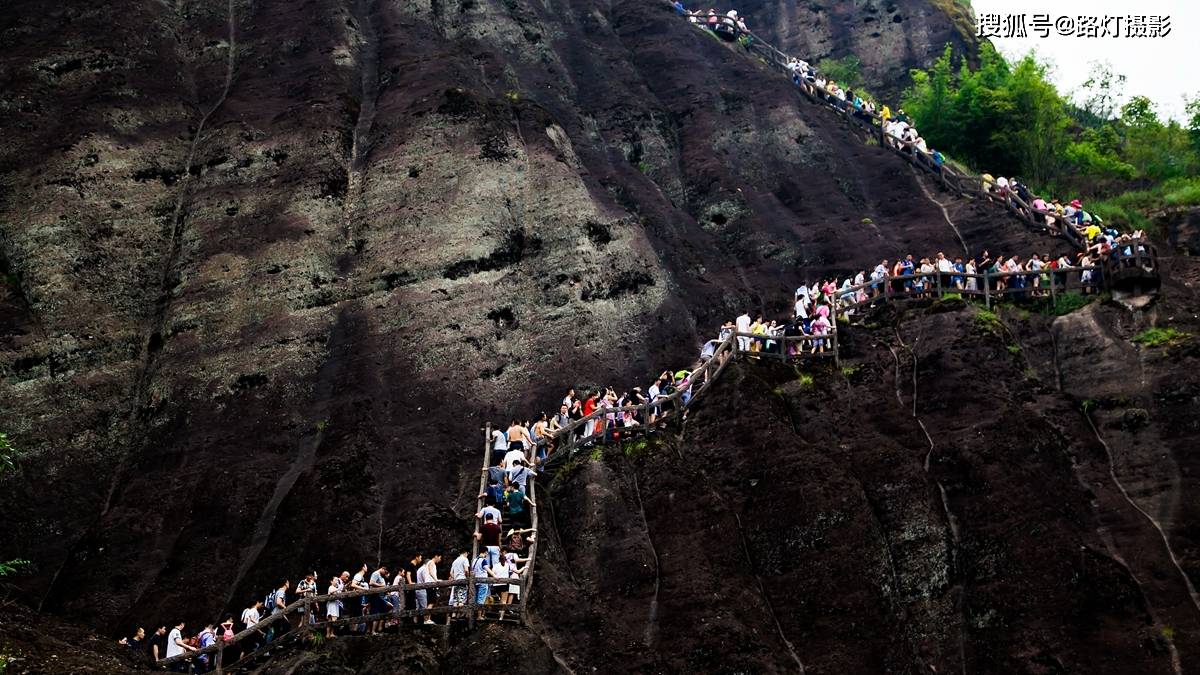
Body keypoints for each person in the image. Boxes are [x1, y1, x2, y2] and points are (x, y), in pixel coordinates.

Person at [470, 550, 493, 620]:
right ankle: (479, 616)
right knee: (481, 599)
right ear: (485, 552)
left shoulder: (474, 560)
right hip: (483, 582)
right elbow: (487, 569)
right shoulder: (483, 560)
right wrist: (495, 576)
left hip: (475, 581)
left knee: (476, 598)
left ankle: (474, 615)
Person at [369, 565, 391, 634]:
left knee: (385, 608)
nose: (385, 574)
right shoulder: (376, 574)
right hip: (375, 596)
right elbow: (371, 583)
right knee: (376, 613)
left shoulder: (381, 576)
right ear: (382, 569)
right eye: (385, 572)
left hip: (380, 596)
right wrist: (382, 586)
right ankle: (373, 631)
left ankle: (378, 629)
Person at [449, 549, 471, 615]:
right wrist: (468, 577)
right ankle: (460, 615)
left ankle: (454, 615)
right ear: (465, 553)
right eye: (467, 554)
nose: (467, 555)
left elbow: (450, 573)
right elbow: (466, 570)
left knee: (456, 600)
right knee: (461, 599)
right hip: (462, 580)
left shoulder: (455, 561)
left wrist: (455, 577)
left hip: (456, 581)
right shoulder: (465, 559)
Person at [402, 555, 422, 623]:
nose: (421, 559)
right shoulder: (410, 565)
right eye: (420, 558)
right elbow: (408, 574)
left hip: (412, 587)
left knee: (412, 603)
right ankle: (408, 620)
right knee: (410, 603)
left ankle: (410, 620)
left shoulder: (413, 566)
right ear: (416, 557)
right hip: (410, 588)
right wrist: (410, 583)